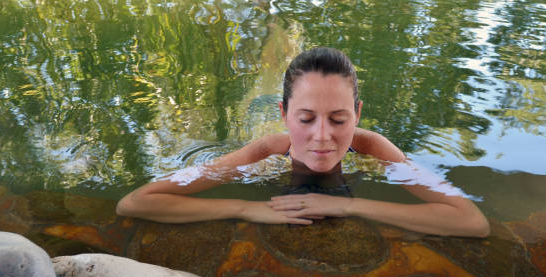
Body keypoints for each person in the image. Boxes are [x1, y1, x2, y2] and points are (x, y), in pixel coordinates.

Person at [117, 47, 490, 237]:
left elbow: (471, 221)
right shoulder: (262, 154)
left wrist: (349, 206)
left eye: (339, 119)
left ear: (357, 114)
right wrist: (244, 209)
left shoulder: (375, 150)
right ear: (284, 114)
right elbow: (135, 203)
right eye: (306, 119)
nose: (323, 136)